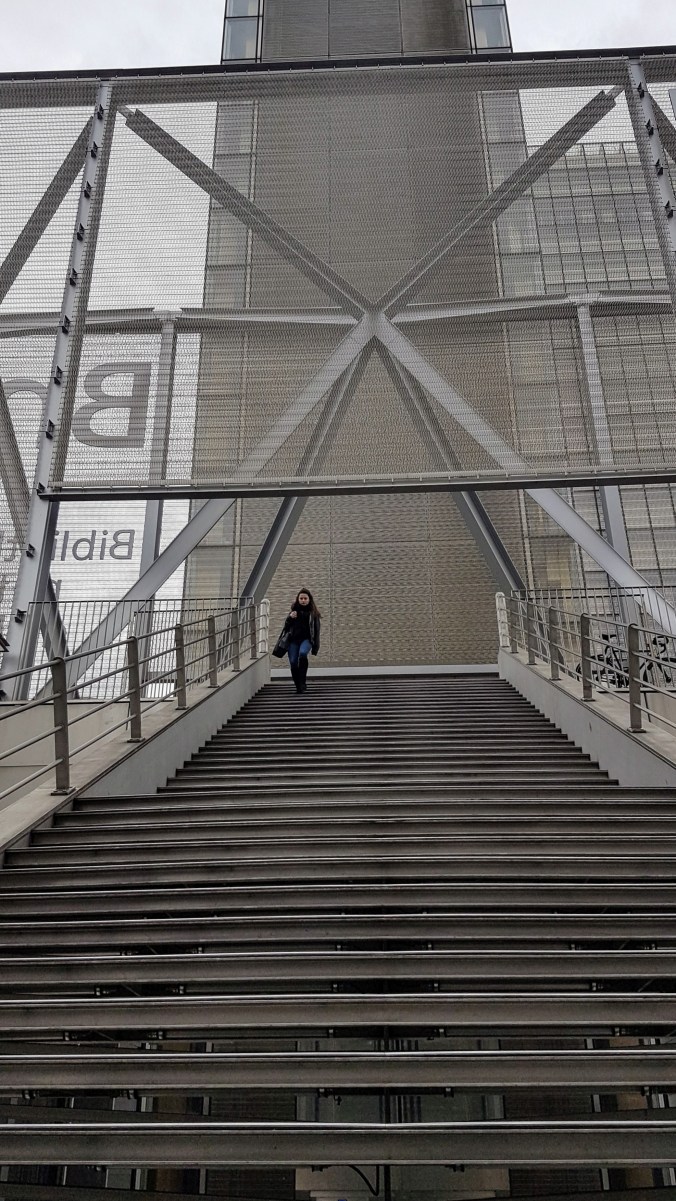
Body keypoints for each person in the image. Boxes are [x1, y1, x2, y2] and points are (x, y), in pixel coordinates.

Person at [284, 588, 321, 693]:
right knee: (293, 662)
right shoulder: (294, 611)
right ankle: (298, 685)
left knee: (303, 653)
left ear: (309, 600)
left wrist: (315, 647)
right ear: (298, 599)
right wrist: (289, 618)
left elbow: (317, 631)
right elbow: (286, 628)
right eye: (301, 598)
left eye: (305, 598)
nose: (303, 600)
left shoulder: (313, 614)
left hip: (307, 640)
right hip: (293, 641)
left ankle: (303, 682)